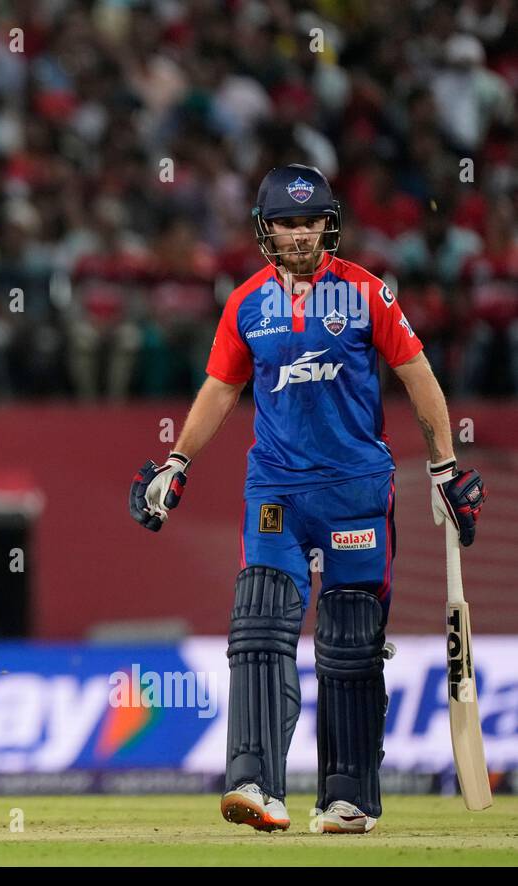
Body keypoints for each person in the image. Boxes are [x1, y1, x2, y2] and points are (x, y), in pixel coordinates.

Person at [129, 164, 486, 834]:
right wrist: (178, 461)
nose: (300, 234)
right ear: (267, 230)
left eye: (311, 221)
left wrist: (444, 467)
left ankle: (348, 797)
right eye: (288, 223)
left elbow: (419, 376)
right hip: (276, 489)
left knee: (350, 640)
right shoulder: (246, 304)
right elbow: (219, 388)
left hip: (356, 490)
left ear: (329, 223)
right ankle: (255, 784)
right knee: (259, 623)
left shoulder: (367, 293)